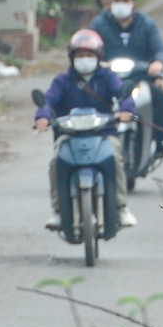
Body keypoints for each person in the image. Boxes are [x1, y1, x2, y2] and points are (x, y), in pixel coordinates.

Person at [34, 28, 137, 232]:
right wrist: (43, 116)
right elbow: (49, 100)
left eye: (89, 55)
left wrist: (126, 110)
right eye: (80, 55)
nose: (84, 59)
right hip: (69, 135)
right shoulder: (62, 81)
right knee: (56, 163)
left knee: (116, 159)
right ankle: (58, 211)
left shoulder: (108, 77)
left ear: (98, 57)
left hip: (104, 133)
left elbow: (124, 95)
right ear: (72, 58)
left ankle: (121, 207)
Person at [91, 0, 163, 158]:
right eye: (117, 0)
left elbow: (159, 49)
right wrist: (96, 61)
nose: (121, 5)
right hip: (109, 79)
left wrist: (158, 63)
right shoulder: (99, 24)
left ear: (134, 3)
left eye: (125, 0)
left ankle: (158, 141)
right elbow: (90, 46)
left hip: (140, 79)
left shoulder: (147, 24)